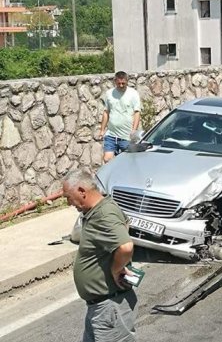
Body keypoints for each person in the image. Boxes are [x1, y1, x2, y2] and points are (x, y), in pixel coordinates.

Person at [62, 168, 137, 342]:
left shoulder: (104, 214)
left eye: (68, 196)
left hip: (110, 307)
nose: (68, 203)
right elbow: (125, 224)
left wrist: (117, 268)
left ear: (81, 191)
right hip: (100, 306)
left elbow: (125, 246)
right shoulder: (102, 208)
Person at [98, 71, 141, 162]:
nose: (121, 85)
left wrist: (134, 130)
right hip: (111, 135)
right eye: (119, 83)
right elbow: (106, 112)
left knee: (127, 162)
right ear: (115, 81)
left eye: (123, 83)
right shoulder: (109, 94)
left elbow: (137, 112)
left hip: (126, 136)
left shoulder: (133, 94)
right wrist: (102, 130)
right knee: (107, 159)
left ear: (127, 81)